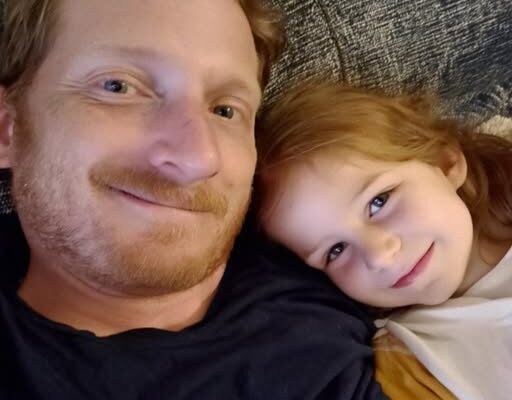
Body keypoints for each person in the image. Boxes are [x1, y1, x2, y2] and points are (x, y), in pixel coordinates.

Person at [0, 0, 388, 399]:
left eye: (225, 110)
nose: (197, 158)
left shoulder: (349, 264)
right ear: (7, 127)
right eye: (119, 87)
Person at [254, 81, 512, 399]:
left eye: (379, 202)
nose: (379, 256)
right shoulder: (407, 359)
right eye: (336, 250)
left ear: (445, 163)